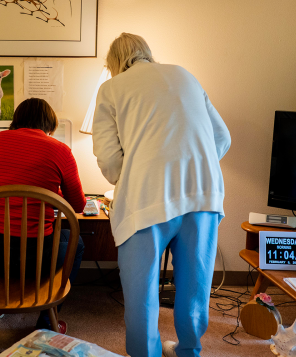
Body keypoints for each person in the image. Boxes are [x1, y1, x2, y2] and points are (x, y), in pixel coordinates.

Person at [92, 33, 231, 357]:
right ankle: (189, 351)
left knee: (142, 294)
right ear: (147, 52)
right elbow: (221, 137)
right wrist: (193, 164)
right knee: (195, 289)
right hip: (203, 193)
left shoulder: (112, 88)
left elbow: (111, 161)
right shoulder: (185, 75)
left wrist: (135, 173)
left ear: (113, 63)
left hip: (148, 196)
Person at [0, 97, 86, 333]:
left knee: (0, 241)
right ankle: (48, 322)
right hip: (30, 258)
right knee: (75, 242)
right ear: (50, 124)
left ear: (16, 120)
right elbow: (77, 205)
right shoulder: (60, 150)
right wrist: (51, 192)